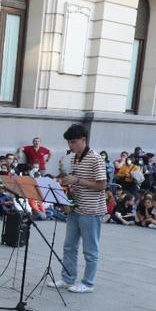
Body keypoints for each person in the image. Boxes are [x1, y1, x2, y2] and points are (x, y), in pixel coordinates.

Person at [51, 124, 106, 293]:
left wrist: (76, 181)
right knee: (69, 246)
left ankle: (88, 283)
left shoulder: (96, 158)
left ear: (83, 140)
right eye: (68, 142)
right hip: (75, 207)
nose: (70, 146)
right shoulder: (74, 157)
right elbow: (76, 180)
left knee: (90, 249)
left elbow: (102, 185)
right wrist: (66, 184)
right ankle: (68, 278)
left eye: (73, 142)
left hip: (91, 210)